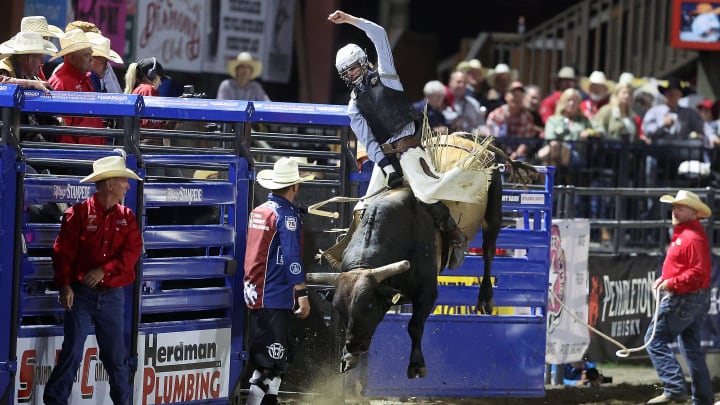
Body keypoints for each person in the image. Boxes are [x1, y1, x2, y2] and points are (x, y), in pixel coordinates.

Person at [329, 9, 474, 269]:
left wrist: (351, 20)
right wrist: (385, 167)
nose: (351, 75)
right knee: (363, 205)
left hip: (409, 146)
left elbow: (379, 34)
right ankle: (354, 259)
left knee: (422, 189)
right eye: (346, 72)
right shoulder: (353, 105)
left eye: (353, 68)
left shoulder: (386, 74)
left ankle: (455, 233)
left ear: (363, 62)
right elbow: (369, 141)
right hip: (385, 155)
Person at [44, 155, 143, 405]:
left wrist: (104, 269)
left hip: (110, 295)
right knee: (73, 353)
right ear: (109, 184)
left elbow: (131, 254)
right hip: (81, 294)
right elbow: (62, 253)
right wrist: (65, 285)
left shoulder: (127, 217)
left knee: (115, 358)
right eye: (123, 181)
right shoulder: (77, 215)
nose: (127, 186)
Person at [243, 157, 312, 405]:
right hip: (275, 294)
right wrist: (301, 292)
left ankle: (269, 400)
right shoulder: (287, 216)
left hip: (256, 291)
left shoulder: (259, 211)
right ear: (294, 186)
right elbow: (291, 257)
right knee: (271, 360)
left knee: (275, 358)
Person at [644, 190, 713, 405]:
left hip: (685, 297)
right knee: (691, 349)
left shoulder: (690, 237)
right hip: (692, 297)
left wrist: (671, 282)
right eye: (674, 207)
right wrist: (666, 277)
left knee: (654, 340)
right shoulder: (688, 234)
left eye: (680, 208)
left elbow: (697, 272)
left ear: (693, 212)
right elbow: (688, 267)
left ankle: (674, 387)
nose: (675, 211)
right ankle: (703, 399)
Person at [48, 29, 106, 145]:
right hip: (78, 157)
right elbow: (62, 132)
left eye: (91, 54)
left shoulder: (86, 78)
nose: (91, 59)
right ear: (71, 57)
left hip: (90, 153)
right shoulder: (61, 83)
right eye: (87, 55)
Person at [486, 81, 538, 161]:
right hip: (497, 154)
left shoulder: (527, 117)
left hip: (518, 156)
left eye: (519, 96)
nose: (516, 98)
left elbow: (526, 141)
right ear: (506, 96)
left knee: (521, 162)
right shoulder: (495, 115)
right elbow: (490, 140)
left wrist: (516, 154)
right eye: (514, 95)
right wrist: (500, 155)